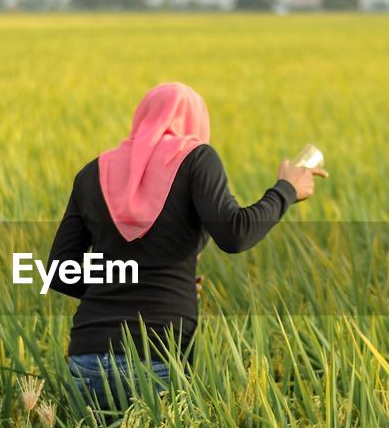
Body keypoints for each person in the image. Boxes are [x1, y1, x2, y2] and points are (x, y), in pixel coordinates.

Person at [45, 82, 327, 407]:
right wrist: (286, 190)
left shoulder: (93, 172)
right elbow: (235, 234)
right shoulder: (196, 160)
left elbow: (59, 271)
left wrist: (122, 284)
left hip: (87, 358)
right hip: (159, 355)